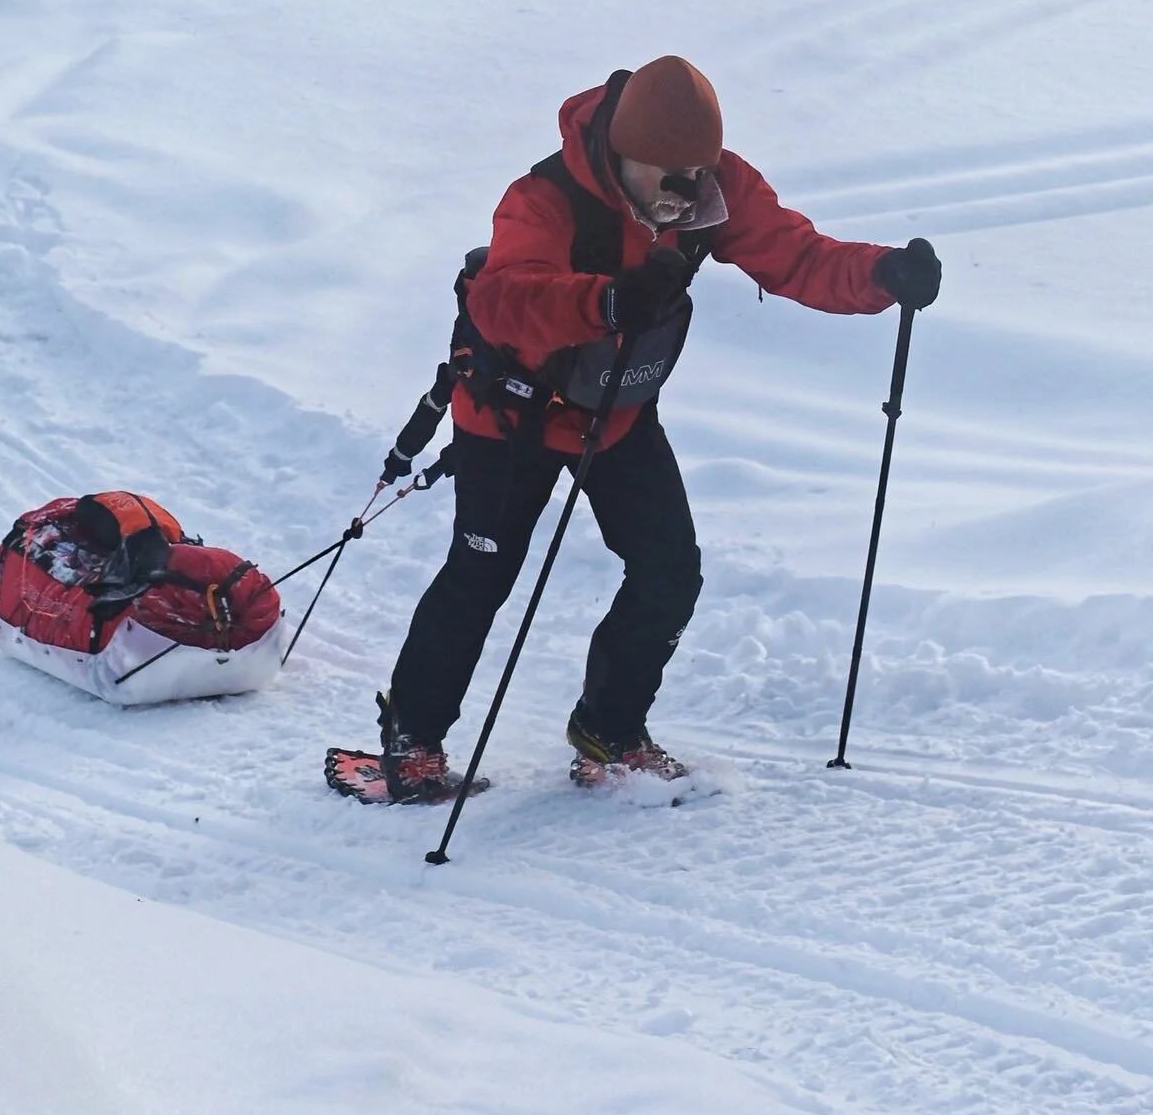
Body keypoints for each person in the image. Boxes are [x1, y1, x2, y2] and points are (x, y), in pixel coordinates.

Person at [334, 57, 939, 801]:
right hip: (510, 410)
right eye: (673, 179)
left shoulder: (710, 189)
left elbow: (796, 256)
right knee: (481, 574)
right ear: (624, 156)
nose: (689, 195)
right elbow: (503, 300)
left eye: (701, 175)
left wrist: (883, 275)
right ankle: (412, 742)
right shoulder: (543, 199)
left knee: (669, 569)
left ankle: (609, 730)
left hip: (614, 411)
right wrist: (608, 302)